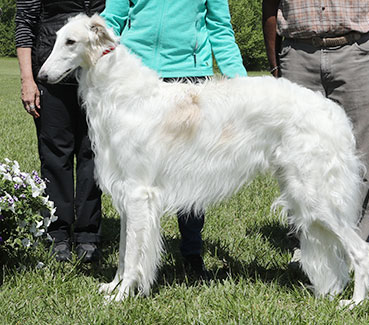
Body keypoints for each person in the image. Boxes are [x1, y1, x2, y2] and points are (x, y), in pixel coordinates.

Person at [101, 0, 247, 278]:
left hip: (190, 77)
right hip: (137, 76)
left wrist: (240, 81)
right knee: (135, 176)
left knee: (191, 173)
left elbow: (220, 28)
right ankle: (133, 262)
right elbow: (112, 20)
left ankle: (192, 254)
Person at [262, 0, 369, 251]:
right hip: (297, 54)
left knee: (362, 155)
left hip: (354, 49)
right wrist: (275, 64)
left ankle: (355, 245)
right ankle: (306, 247)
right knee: (298, 160)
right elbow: (269, 5)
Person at [15, 0, 105, 262]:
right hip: (50, 68)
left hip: (98, 73)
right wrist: (26, 79)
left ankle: (88, 235)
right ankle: (58, 234)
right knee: (55, 154)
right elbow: (24, 23)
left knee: (93, 152)